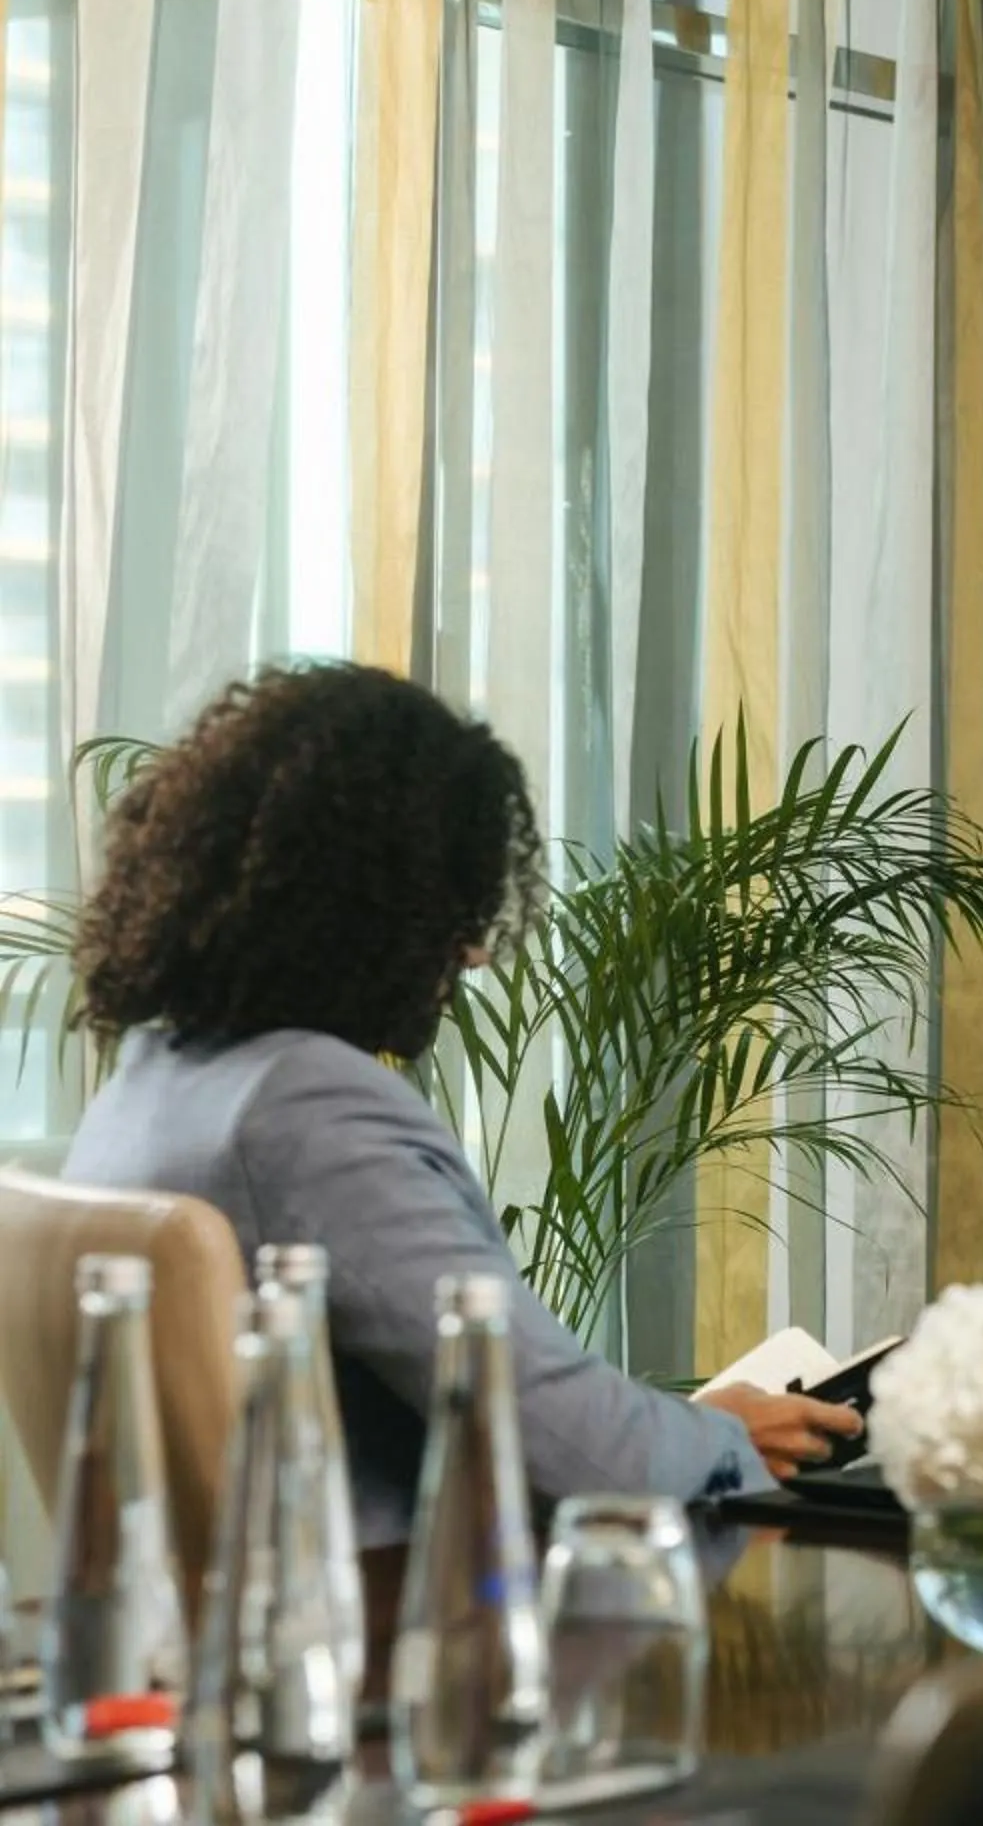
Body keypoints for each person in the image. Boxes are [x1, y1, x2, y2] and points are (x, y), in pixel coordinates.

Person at [61, 663, 860, 1549]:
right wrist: (723, 1440)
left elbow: (528, 1412)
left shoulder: (151, 1080)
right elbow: (585, 1460)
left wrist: (681, 1426)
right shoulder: (308, 1112)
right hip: (415, 1626)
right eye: (447, 906)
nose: (476, 953)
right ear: (357, 904)